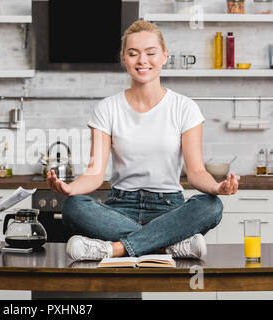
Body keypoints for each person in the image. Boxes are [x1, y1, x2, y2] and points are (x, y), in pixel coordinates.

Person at [47, 20, 240, 261]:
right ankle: (166, 246)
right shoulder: (107, 108)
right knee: (73, 207)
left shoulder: (185, 108)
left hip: (171, 208)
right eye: (133, 53)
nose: (142, 60)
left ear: (164, 56)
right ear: (123, 59)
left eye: (151, 53)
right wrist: (70, 188)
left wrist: (216, 187)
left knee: (212, 206)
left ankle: (116, 249)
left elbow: (196, 172)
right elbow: (95, 174)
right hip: (120, 207)